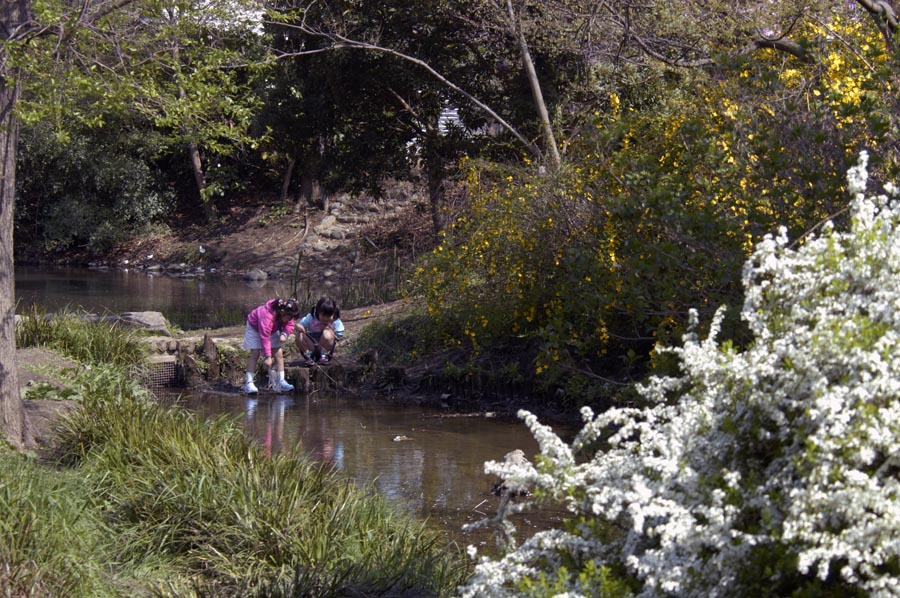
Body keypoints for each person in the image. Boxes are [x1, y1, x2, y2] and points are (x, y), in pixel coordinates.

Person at [242, 298, 301, 394]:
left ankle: (281, 381)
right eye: (289, 317)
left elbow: (290, 324)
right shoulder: (267, 316)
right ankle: (249, 383)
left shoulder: (287, 314)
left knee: (278, 353)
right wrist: (268, 357)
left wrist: (285, 333)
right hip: (255, 328)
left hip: (273, 329)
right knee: (255, 353)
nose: (291, 319)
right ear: (282, 312)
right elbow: (265, 337)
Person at [295, 296, 345, 365]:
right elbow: (300, 325)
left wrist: (328, 329)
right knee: (299, 335)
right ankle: (309, 356)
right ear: (318, 312)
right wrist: (298, 326)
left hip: (326, 348)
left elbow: (338, 337)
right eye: (323, 316)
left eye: (328, 316)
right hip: (312, 345)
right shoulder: (311, 317)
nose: (325, 319)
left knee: (326, 334)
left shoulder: (335, 321)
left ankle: (324, 356)